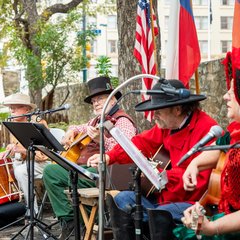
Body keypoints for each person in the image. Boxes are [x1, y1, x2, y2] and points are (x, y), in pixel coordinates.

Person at [87, 79, 218, 240]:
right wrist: (110, 156)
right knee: (122, 199)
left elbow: (198, 181)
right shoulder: (167, 126)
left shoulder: (206, 129)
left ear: (177, 109)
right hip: (164, 198)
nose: (154, 115)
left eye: (159, 110)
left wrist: (159, 175)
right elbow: (139, 142)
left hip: (192, 203)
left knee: (156, 214)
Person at [43, 76, 137, 240]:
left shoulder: (123, 121)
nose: (96, 103)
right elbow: (77, 127)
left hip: (107, 173)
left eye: (101, 98)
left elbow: (124, 151)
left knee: (66, 175)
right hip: (86, 169)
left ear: (113, 99)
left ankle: (81, 223)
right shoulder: (95, 120)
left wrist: (100, 140)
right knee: (51, 170)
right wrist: (70, 132)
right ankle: (71, 222)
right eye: (94, 101)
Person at [177, 63, 240, 239]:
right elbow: (220, 148)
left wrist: (212, 227)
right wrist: (194, 163)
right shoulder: (235, 132)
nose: (225, 96)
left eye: (232, 92)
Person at [0, 92, 49, 215]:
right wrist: (7, 153)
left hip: (45, 163)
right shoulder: (14, 125)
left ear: (26, 109)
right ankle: (14, 204)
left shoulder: (38, 123)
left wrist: (20, 150)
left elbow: (43, 154)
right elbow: (18, 153)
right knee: (11, 165)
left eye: (16, 107)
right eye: (11, 108)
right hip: (26, 162)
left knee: (20, 170)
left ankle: (33, 212)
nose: (12, 110)